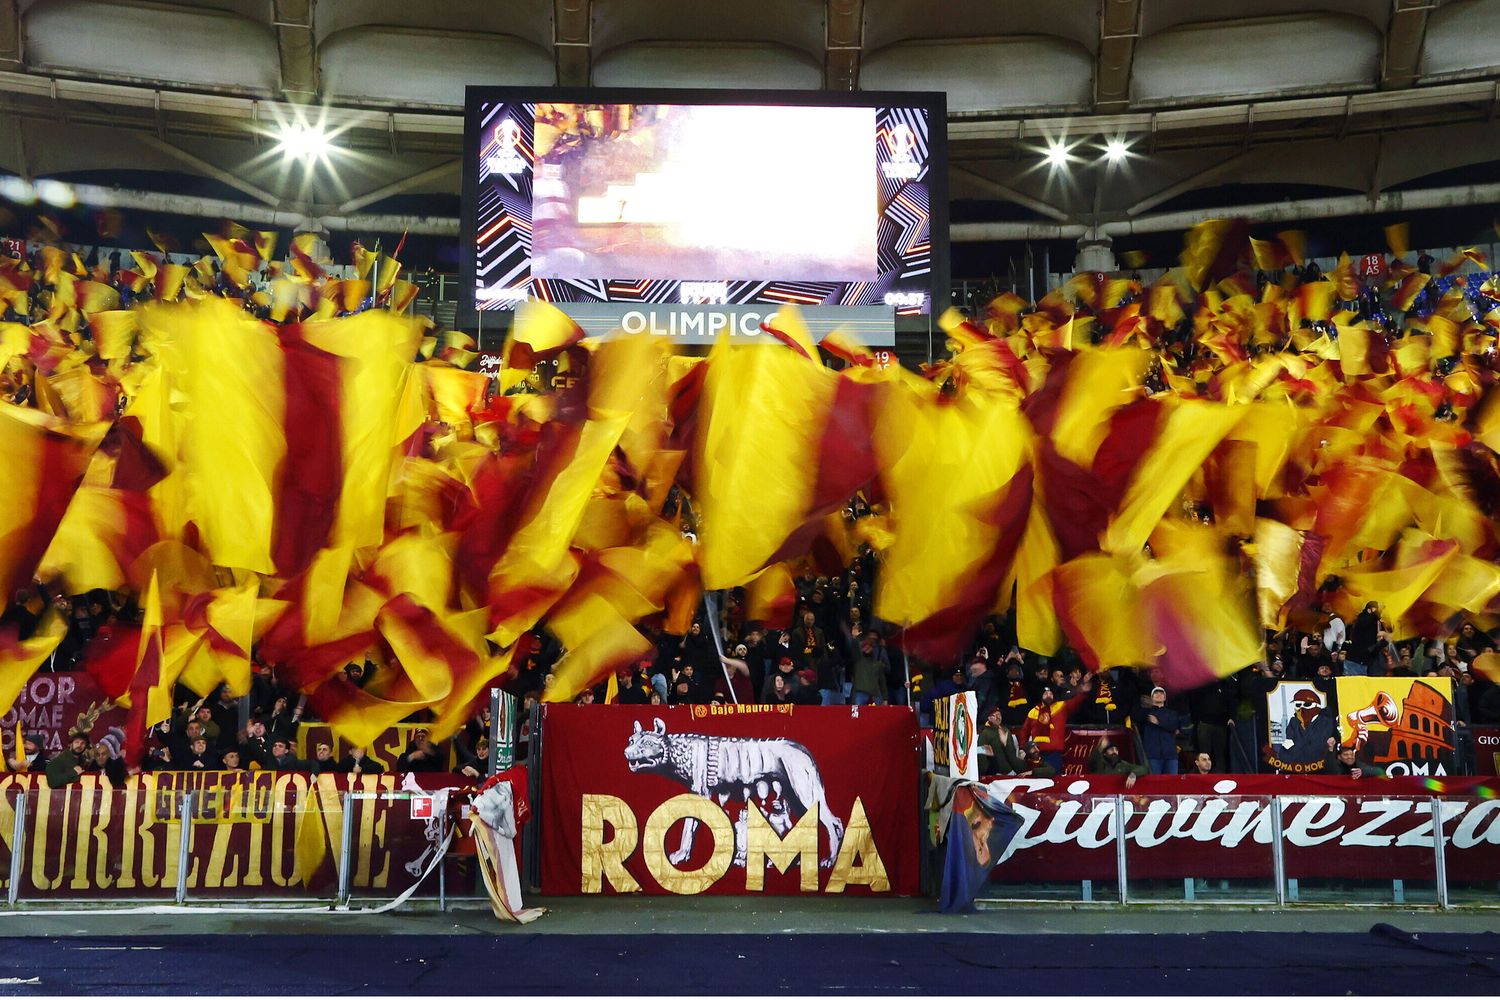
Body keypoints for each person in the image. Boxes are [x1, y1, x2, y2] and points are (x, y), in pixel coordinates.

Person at [1019, 674, 1093, 773]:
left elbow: (1075, 702)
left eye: (1051, 693)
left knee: (1054, 780)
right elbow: (1024, 732)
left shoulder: (1060, 706)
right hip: (1036, 754)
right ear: (1041, 696)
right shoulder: (1033, 712)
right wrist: (1022, 748)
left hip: (1054, 753)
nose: (1048, 695)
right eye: (1046, 693)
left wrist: (1083, 691)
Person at [1135, 687, 1183, 775]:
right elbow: (1136, 716)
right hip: (1153, 754)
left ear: (1165, 698)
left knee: (1172, 784)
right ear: (1151, 697)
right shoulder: (1145, 712)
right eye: (1156, 693)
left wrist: (1158, 722)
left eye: (1161, 693)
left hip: (1170, 755)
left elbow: (1174, 726)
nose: (1159, 695)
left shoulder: (1172, 713)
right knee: (1154, 784)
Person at [977, 707, 1026, 777]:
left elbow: (1012, 753)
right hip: (995, 773)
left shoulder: (1006, 731)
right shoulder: (985, 733)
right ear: (989, 718)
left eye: (999, 715)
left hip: (1011, 772)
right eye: (995, 715)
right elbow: (981, 754)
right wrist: (983, 772)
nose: (998, 717)